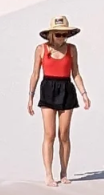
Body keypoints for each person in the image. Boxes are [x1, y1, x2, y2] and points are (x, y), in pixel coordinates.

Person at [27, 16, 91, 186]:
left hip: (66, 89)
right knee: (49, 134)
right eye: (58, 35)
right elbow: (35, 73)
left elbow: (75, 73)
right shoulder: (41, 49)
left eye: (64, 34)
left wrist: (84, 94)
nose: (62, 38)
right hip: (48, 88)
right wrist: (30, 96)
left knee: (64, 134)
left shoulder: (72, 49)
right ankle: (48, 174)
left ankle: (63, 172)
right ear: (51, 35)